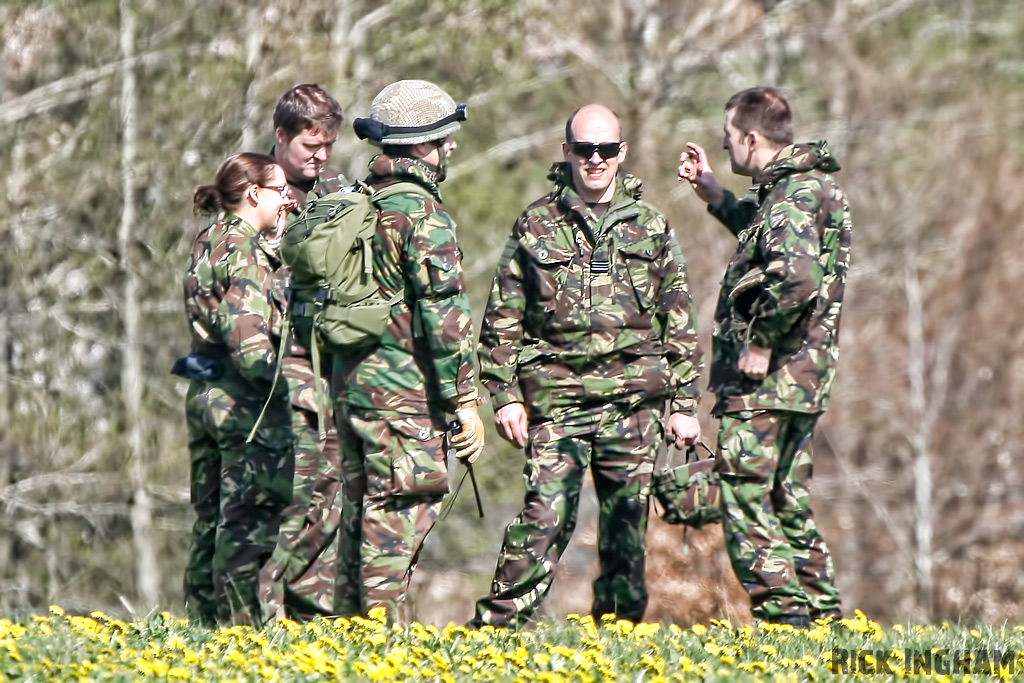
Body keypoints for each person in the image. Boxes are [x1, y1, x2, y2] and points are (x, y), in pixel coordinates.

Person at [469, 104, 702, 629]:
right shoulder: (536, 224)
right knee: (544, 517)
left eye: (605, 150)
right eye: (583, 149)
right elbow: (502, 318)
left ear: (622, 153)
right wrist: (504, 396)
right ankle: (495, 635)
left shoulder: (651, 226)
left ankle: (614, 638)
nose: (594, 160)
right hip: (557, 400)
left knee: (626, 530)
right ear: (567, 151)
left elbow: (679, 321)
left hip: (633, 406)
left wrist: (684, 406)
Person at [677, 86, 850, 627]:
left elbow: (796, 279)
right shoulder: (800, 192)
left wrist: (760, 342)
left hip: (768, 382)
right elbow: (768, 243)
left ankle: (788, 620)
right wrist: (715, 194)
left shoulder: (795, 196)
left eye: (728, 139)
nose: (725, 150)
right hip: (799, 383)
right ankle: (823, 621)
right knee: (786, 498)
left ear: (752, 138)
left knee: (745, 496)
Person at [332, 79, 482, 622]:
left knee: (359, 521)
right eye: (445, 138)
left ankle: (343, 643)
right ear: (423, 146)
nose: (452, 147)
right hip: (404, 402)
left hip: (349, 391)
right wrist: (465, 399)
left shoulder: (357, 202)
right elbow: (444, 316)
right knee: (394, 527)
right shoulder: (422, 214)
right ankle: (376, 649)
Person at [178, 152, 295, 626]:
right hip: (241, 401)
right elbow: (248, 337)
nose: (287, 198)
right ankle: (241, 629)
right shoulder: (243, 251)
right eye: (278, 189)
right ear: (253, 194)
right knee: (246, 521)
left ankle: (201, 626)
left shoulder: (208, 240)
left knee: (209, 518)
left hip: (203, 392)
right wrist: (279, 391)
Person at [257, 84, 348, 623]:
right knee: (283, 498)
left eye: (328, 146)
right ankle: (257, 619)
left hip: (330, 367)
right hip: (271, 372)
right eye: (309, 146)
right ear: (281, 136)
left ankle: (313, 617)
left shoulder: (336, 192)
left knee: (330, 495)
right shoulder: (251, 189)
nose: (319, 157)